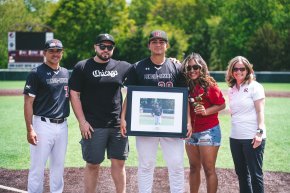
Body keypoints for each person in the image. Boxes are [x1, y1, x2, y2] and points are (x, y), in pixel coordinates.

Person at [120, 30, 192, 193]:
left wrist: (187, 121)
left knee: (176, 165)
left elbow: (184, 97)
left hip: (172, 127)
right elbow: (130, 95)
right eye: (154, 41)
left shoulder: (177, 67)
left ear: (167, 45)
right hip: (144, 127)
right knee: (145, 165)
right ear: (149, 45)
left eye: (161, 41)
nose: (158, 44)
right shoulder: (138, 67)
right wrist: (123, 117)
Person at [69, 33, 132, 193]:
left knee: (119, 163)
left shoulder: (122, 66)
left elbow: (145, 72)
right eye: (102, 46)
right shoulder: (82, 67)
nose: (106, 50)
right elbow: (74, 94)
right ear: (95, 47)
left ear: (113, 49)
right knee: (93, 164)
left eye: (109, 47)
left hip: (118, 125)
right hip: (93, 126)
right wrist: (82, 121)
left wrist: (171, 61)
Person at [24, 39, 70, 193]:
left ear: (62, 53)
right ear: (45, 53)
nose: (55, 54)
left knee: (58, 167)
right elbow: (28, 103)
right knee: (38, 166)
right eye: (51, 51)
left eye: (58, 51)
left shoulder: (65, 72)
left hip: (62, 126)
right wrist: (30, 129)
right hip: (42, 125)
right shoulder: (36, 73)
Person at [181, 53, 226, 193]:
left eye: (195, 67)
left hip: (209, 131)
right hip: (191, 132)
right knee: (194, 167)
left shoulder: (209, 85)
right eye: (189, 68)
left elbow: (222, 104)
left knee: (209, 169)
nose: (192, 70)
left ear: (202, 67)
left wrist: (206, 111)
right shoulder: (186, 84)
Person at [225, 56, 266, 193]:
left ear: (248, 70)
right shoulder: (231, 90)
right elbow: (233, 113)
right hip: (235, 138)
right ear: (231, 71)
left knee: (255, 175)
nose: (238, 71)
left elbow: (260, 112)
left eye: (242, 68)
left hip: (252, 137)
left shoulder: (255, 87)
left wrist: (259, 133)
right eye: (235, 69)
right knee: (242, 174)